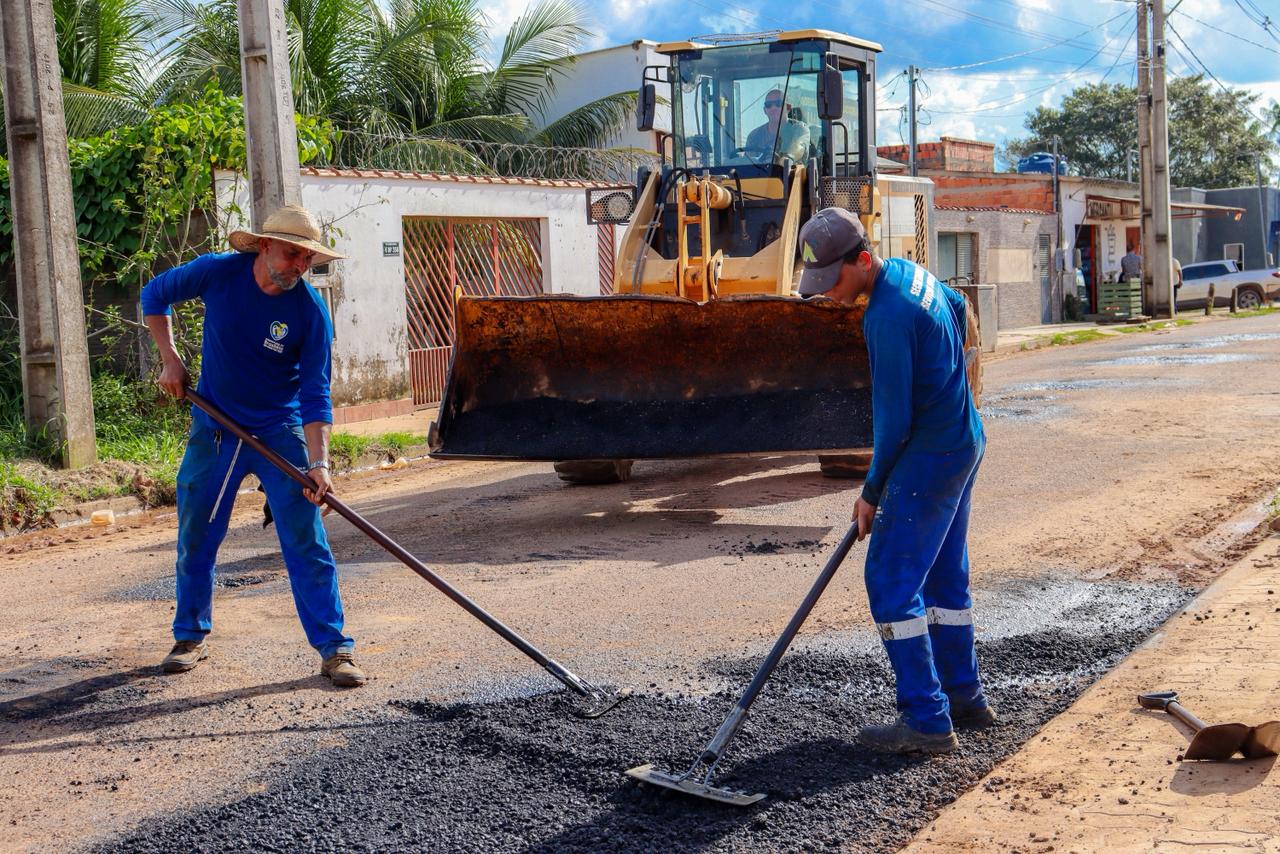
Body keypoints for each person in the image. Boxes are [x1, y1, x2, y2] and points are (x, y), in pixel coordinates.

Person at [141, 204, 366, 688]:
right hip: (217, 428)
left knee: (305, 540)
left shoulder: (310, 311)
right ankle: (190, 636)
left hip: (280, 431)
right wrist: (170, 359)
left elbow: (316, 392)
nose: (300, 266)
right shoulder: (217, 272)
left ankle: (335, 648)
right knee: (197, 534)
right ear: (263, 246)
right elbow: (154, 295)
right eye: (292, 254)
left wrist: (320, 463)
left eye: (307, 259)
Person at [796, 207, 990, 754]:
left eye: (831, 279)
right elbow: (958, 307)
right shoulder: (912, 273)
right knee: (944, 577)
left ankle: (927, 721)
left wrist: (872, 490)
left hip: (930, 455)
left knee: (890, 582)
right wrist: (954, 384)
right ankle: (964, 697)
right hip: (963, 441)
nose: (826, 291)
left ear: (861, 260)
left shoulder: (884, 317)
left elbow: (893, 421)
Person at [743, 87, 810, 163]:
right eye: (769, 105)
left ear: (788, 108)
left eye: (778, 104)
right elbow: (749, 163)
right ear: (765, 110)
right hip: (761, 171)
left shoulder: (799, 129)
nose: (773, 108)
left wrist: (786, 160)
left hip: (789, 170)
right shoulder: (754, 135)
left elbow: (798, 148)